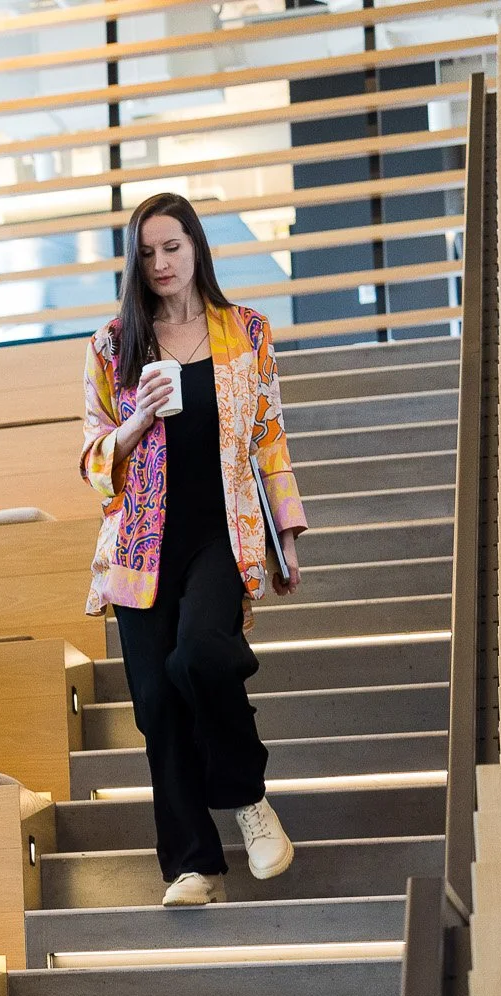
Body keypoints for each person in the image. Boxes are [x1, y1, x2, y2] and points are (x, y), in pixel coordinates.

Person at [82, 192, 305, 907]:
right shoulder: (112, 344)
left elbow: (269, 436)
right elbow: (91, 460)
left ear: (197, 246)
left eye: (171, 247)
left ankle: (246, 798)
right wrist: (137, 419)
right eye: (146, 253)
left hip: (221, 531)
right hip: (140, 542)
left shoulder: (246, 331)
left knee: (200, 654)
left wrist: (287, 529)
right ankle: (192, 864)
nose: (160, 263)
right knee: (156, 705)